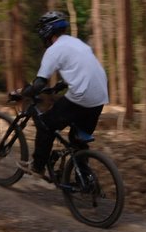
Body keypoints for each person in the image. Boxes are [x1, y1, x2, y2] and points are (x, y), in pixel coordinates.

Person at [13, 11, 109, 180]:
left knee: (45, 124)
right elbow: (84, 68)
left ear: (46, 32)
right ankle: (85, 179)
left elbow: (39, 84)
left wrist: (22, 93)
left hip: (82, 96)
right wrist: (62, 84)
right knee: (77, 138)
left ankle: (38, 166)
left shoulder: (53, 50)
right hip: (100, 95)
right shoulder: (76, 43)